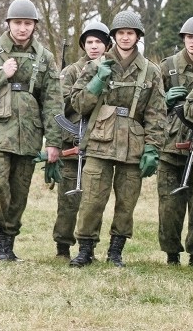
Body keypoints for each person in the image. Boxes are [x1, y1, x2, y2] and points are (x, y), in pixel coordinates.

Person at [0, 0, 62, 262]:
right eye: (17, 23)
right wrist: (1, 75)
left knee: (19, 192)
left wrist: (54, 141)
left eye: (27, 24)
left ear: (34, 26)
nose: (22, 28)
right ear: (8, 24)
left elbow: (53, 101)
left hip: (28, 136)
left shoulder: (44, 58)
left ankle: (8, 243)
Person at [68, 10, 166, 267]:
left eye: (130, 33)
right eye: (120, 33)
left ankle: (115, 252)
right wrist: (97, 81)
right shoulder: (95, 65)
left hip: (133, 145)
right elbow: (78, 104)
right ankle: (85, 250)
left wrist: (152, 149)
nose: (125, 38)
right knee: (91, 199)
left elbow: (156, 114)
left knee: (126, 202)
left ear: (137, 37)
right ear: (113, 36)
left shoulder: (150, 72)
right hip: (100, 141)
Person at [53, 22, 111, 259]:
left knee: (94, 200)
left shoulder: (111, 69)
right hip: (73, 141)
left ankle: (88, 247)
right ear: (83, 45)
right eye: (89, 42)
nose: (94, 46)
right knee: (69, 199)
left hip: (100, 140)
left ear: (107, 45)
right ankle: (63, 246)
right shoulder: (71, 71)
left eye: (98, 42)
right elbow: (63, 104)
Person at [157, 16, 193, 266]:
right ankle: (171, 253)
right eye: (191, 37)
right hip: (170, 145)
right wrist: (165, 101)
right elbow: (148, 105)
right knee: (169, 203)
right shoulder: (167, 67)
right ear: (184, 38)